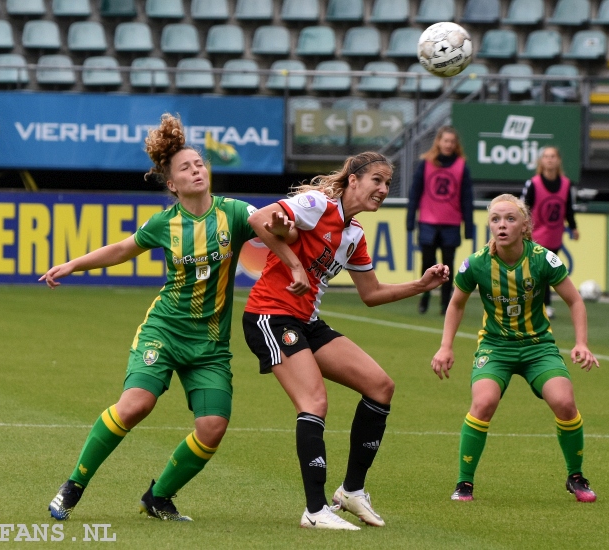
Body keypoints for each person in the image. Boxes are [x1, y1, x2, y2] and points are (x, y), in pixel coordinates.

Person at [41, 113, 258, 522]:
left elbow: (273, 225)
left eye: (199, 164)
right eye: (186, 168)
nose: (197, 170)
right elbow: (122, 250)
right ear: (172, 184)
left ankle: (158, 497)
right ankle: (74, 484)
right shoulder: (165, 223)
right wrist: (72, 265)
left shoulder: (236, 213)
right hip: (164, 331)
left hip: (209, 345)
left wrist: (289, 225)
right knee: (135, 405)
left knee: (212, 427)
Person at [242, 152, 449, 530]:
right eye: (377, 180)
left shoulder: (354, 234)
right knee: (314, 401)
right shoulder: (317, 204)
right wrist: (293, 264)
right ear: (353, 180)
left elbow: (370, 293)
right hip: (269, 315)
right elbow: (257, 218)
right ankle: (315, 510)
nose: (384, 189)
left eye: (388, 183)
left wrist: (420, 285)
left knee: (380, 386)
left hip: (307, 321)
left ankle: (351, 491)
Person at [431, 194, 600, 504]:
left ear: (525, 225)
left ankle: (576, 476)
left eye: (510, 219)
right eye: (495, 219)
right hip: (496, 348)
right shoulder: (477, 263)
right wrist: (445, 347)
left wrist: (581, 343)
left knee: (564, 402)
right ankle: (464, 484)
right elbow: (456, 304)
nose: (502, 225)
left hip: (538, 348)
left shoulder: (543, 259)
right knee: (483, 404)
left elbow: (575, 300)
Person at [406, 125, 475, 315]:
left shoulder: (462, 166)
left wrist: (469, 227)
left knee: (448, 265)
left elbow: (467, 199)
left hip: (451, 223)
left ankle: (446, 304)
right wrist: (410, 219)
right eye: (445, 141)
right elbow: (415, 193)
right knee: (427, 262)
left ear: (455, 144)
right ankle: (425, 297)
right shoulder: (426, 164)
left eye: (452, 142)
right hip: (428, 221)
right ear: (439, 142)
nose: (448, 145)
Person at [521, 146, 579, 319]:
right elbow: (524, 208)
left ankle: (545, 304)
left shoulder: (566, 184)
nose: (550, 159)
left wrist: (574, 227)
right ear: (541, 161)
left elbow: (568, 208)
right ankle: (539, 304)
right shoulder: (533, 183)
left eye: (553, 156)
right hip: (536, 235)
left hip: (555, 234)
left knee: (547, 273)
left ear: (558, 160)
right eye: (546, 156)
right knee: (537, 271)